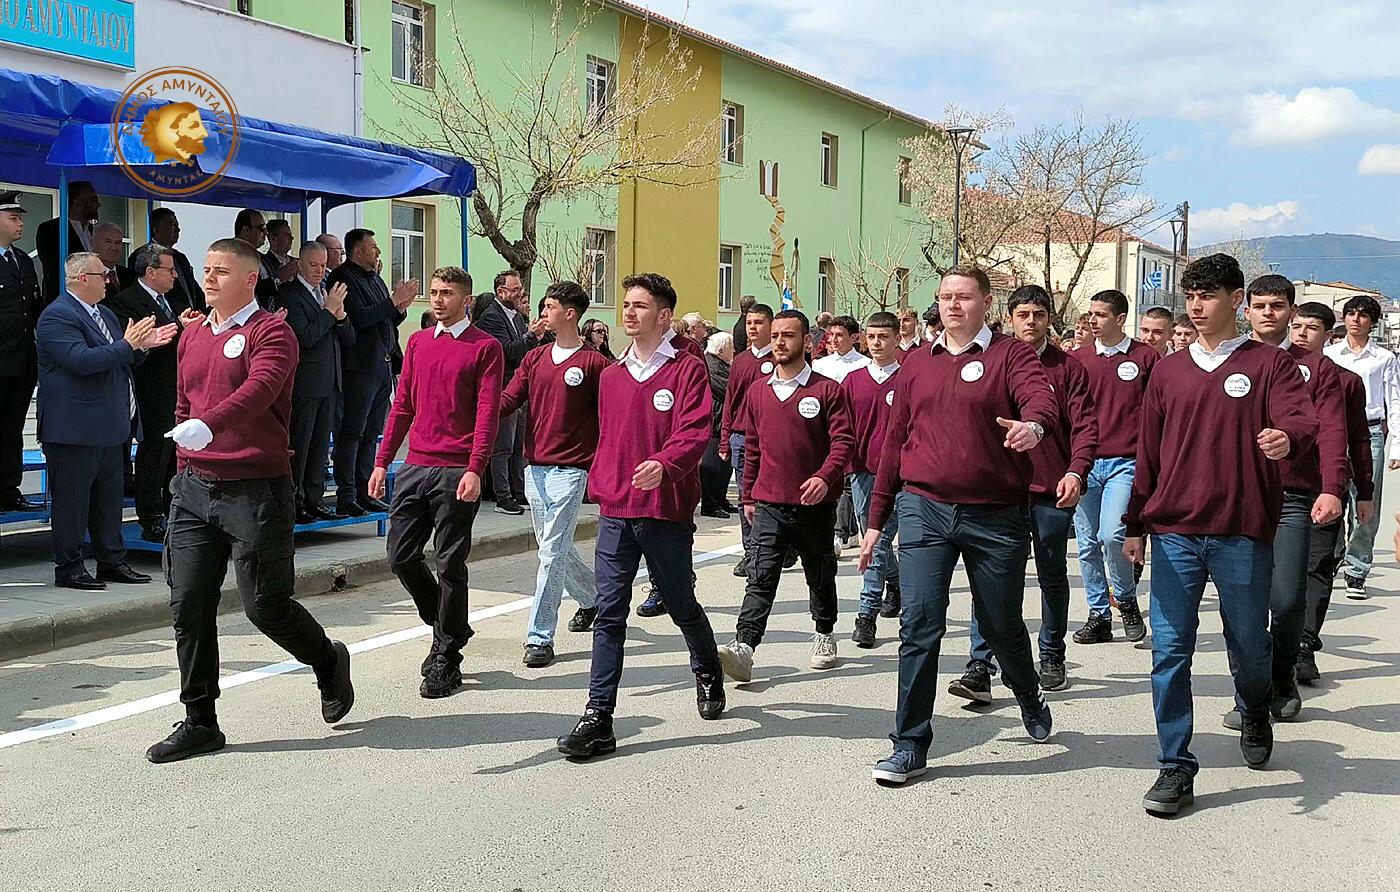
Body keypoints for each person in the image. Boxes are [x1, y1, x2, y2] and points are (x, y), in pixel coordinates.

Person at [148, 237, 355, 763]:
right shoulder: (194, 333)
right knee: (188, 605)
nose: (209, 278)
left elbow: (259, 390)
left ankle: (327, 660)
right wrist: (185, 457)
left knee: (266, 606)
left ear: (249, 279)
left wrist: (209, 426)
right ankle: (200, 720)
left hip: (256, 489)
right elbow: (184, 402)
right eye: (206, 269)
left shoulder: (273, 332)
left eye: (220, 271)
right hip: (194, 489)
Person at [1124, 253, 1316, 815]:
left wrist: (1286, 437)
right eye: (1191, 297)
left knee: (1249, 643)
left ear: (1236, 301)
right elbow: (1148, 453)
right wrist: (1135, 524)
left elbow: (1303, 420)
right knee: (1170, 651)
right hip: (1175, 533)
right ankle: (1175, 766)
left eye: (1208, 296)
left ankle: (1254, 708)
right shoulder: (1168, 371)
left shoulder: (1269, 365)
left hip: (1241, 530)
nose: (1197, 306)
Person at [862, 265, 1057, 785]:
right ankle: (909, 743)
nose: (953, 305)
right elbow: (894, 441)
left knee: (1000, 624)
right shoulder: (916, 363)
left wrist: (1033, 427)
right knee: (919, 624)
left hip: (995, 514)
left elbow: (1040, 399)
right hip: (924, 508)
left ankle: (1027, 690)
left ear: (986, 303)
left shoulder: (1009, 355)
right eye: (946, 296)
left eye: (964, 296)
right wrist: (877, 518)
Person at [556, 273, 724, 759]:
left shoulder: (686, 369)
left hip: (664, 511)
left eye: (640, 306)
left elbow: (694, 431)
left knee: (680, 604)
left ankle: (707, 669)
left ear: (664, 315)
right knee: (609, 612)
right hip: (617, 510)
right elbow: (606, 436)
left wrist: (664, 465)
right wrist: (600, 479)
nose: (628, 312)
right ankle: (598, 717)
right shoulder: (611, 375)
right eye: (626, 304)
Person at [951, 285, 1098, 701]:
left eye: (1038, 314)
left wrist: (1076, 471)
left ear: (1049, 319)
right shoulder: (989, 361)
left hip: (1051, 490)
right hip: (999, 491)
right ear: (1010, 318)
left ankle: (1051, 655)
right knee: (990, 579)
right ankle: (981, 664)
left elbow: (1085, 427)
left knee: (1051, 574)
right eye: (1022, 314)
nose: (1030, 321)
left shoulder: (1068, 369)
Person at [368, 267, 502, 697]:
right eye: (434, 292)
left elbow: (487, 412)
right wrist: (382, 462)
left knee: (449, 563)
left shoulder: (486, 347)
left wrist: (476, 468)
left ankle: (446, 656)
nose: (438, 299)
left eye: (447, 293)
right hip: (415, 466)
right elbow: (403, 405)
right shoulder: (419, 342)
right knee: (400, 557)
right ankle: (451, 624)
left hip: (456, 469)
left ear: (467, 300)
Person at [1230, 275, 1349, 729]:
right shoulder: (1228, 360)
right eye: (1259, 305)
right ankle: (1250, 694)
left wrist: (1332, 487)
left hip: (1292, 498)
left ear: (1291, 312)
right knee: (1242, 606)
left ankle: (1282, 679)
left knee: (1284, 600)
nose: (1267, 313)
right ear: (1245, 309)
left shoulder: (1317, 369)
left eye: (1277, 306)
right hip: (1237, 497)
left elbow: (1333, 431)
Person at [716, 309, 854, 682]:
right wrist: (747, 495)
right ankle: (744, 647)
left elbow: (843, 442)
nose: (779, 341)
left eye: (788, 335)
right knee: (760, 577)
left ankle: (824, 632)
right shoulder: (758, 391)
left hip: (815, 506)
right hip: (769, 503)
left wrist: (825, 477)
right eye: (775, 335)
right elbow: (753, 447)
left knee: (819, 575)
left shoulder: (827, 390)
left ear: (806, 341)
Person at [37, 252, 173, 590]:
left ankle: (111, 561)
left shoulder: (106, 314)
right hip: (74, 429)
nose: (110, 281)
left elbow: (121, 359)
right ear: (83, 279)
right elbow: (81, 361)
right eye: (103, 276)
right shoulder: (57, 316)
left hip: (110, 426)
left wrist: (141, 347)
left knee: (108, 502)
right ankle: (69, 567)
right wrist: (129, 345)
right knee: (72, 503)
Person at [499, 280, 610, 668]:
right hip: (535, 469)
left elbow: (611, 415)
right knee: (555, 547)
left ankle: (539, 637)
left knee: (549, 553)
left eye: (549, 307)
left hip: (571, 471)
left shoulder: (594, 363)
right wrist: (476, 407)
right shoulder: (535, 358)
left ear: (570, 313)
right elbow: (510, 398)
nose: (542, 313)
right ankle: (594, 599)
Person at [1291, 302, 1374, 684]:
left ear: (1328, 335)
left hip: (1326, 487)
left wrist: (1365, 492)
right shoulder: (1272, 372)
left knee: (1319, 564)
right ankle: (1277, 642)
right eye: (1297, 326)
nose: (1302, 334)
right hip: (1279, 488)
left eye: (1311, 328)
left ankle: (1305, 644)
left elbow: (1358, 439)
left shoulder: (1346, 381)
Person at [1070, 288, 1158, 644]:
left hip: (1126, 461)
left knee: (1111, 535)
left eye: (1101, 314)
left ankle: (1124, 598)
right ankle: (1099, 615)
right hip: (1085, 463)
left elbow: (1158, 411)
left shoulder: (1145, 357)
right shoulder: (1078, 359)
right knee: (1087, 543)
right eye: (1091, 313)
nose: (1093, 320)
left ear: (1121, 318)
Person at [327, 228, 416, 516]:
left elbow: (385, 319)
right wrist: (392, 302)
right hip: (359, 367)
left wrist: (399, 307)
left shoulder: (374, 277)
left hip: (382, 365)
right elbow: (360, 318)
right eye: (373, 247)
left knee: (371, 433)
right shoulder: (342, 277)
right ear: (358, 250)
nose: (378, 251)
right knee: (352, 432)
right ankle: (347, 494)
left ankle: (365, 491)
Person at [106, 245, 188, 542]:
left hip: (175, 387)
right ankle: (151, 516)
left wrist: (186, 326)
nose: (175, 275)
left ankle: (172, 509)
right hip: (148, 389)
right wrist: (178, 326)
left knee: (173, 452)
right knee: (153, 451)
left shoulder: (170, 299)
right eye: (169, 270)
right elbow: (141, 342)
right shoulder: (127, 301)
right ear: (150, 272)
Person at [1323, 293, 1400, 600]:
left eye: (1363, 315)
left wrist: (1397, 446)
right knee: (1331, 494)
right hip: (1332, 430)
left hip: (1370, 432)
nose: (1356, 320)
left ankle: (1357, 569)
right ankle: (1334, 552)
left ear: (1372, 322)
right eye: (1351, 314)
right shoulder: (1329, 354)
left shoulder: (1384, 358)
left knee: (1366, 503)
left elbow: (1394, 401)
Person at [276, 241, 354, 523]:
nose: (320, 271)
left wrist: (341, 316)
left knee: (320, 447)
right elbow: (304, 337)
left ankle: (314, 498)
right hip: (305, 383)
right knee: (301, 444)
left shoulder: (326, 293)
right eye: (313, 265)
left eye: (323, 265)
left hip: (330, 382)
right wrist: (328, 312)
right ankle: (294, 501)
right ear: (299, 265)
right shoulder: (289, 294)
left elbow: (349, 340)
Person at [844, 311, 902, 647]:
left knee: (881, 542)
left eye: (883, 337)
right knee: (875, 542)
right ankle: (892, 583)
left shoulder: (908, 378)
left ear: (897, 338)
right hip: (863, 473)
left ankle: (868, 612)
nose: (877, 343)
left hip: (902, 476)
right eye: (871, 337)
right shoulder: (853, 381)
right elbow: (842, 429)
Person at [476, 270, 544, 515]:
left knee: (518, 446)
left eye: (520, 290)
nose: (519, 294)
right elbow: (505, 351)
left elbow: (522, 353)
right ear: (500, 291)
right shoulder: (491, 317)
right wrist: (531, 337)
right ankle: (502, 496)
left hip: (519, 389)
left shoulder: (515, 317)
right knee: (502, 446)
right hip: (502, 389)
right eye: (514, 290)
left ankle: (519, 492)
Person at [718, 302, 775, 577]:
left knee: (773, 497)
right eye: (749, 323)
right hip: (741, 439)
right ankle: (751, 551)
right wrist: (725, 438)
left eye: (759, 322)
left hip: (772, 439)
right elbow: (730, 401)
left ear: (771, 326)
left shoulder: (779, 359)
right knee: (746, 497)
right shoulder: (739, 361)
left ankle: (776, 546)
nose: (753, 328)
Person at [0, 191, 41, 511]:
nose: (20, 223)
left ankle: (9, 489)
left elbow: (33, 308)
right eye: (13, 217)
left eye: (20, 218)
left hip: (23, 360)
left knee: (12, 427)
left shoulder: (23, 261)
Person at [128, 208, 205, 313]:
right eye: (172, 225)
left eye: (177, 226)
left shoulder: (180, 258)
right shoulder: (141, 256)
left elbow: (193, 288)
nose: (178, 230)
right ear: (156, 230)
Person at [36, 180, 99, 302]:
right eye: (93, 199)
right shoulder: (51, 229)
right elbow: (54, 271)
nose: (98, 204)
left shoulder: (93, 230)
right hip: (63, 300)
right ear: (77, 203)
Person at [700, 331, 735, 519]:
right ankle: (711, 503)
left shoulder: (720, 364)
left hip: (722, 421)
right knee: (713, 466)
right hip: (715, 421)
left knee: (724, 467)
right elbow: (728, 390)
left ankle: (720, 499)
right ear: (721, 350)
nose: (734, 351)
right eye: (731, 348)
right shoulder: (711, 366)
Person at [233, 209, 282, 305]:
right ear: (246, 230)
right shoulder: (232, 255)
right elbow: (250, 287)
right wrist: (278, 279)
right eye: (261, 228)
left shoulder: (260, 257)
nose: (266, 233)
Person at [90, 223, 133, 298]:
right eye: (108, 241)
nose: (114, 247)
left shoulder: (130, 276)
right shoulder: (87, 275)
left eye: (118, 243)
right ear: (93, 243)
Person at [260, 219, 297, 288]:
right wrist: (279, 278)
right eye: (287, 235)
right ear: (273, 239)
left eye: (291, 235)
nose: (292, 238)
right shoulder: (262, 263)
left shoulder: (297, 262)